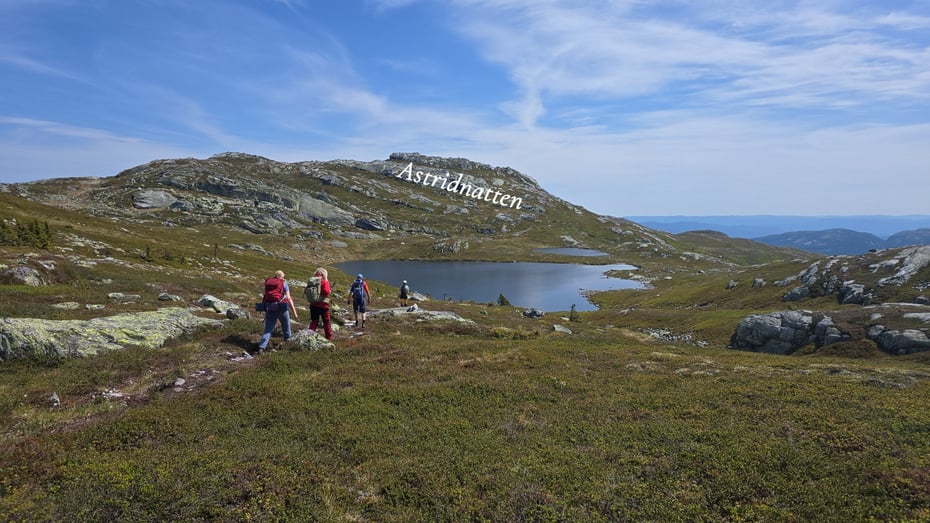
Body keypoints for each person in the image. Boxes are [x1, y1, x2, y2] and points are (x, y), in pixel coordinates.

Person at [258, 270, 298, 352]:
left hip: (270, 308)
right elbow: (289, 298)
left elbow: (266, 296)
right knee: (286, 328)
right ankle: (288, 345)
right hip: (282, 309)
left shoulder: (269, 283)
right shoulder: (284, 283)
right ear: (282, 276)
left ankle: (261, 347)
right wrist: (294, 312)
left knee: (268, 329)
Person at [307, 267, 333, 340]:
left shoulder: (312, 281)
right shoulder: (325, 281)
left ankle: (309, 336)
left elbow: (306, 290)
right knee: (326, 322)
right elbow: (326, 292)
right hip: (323, 306)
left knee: (314, 321)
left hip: (313, 304)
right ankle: (329, 337)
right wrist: (329, 291)